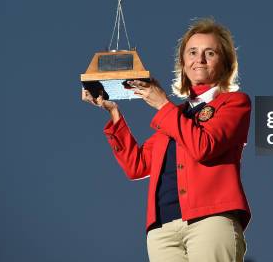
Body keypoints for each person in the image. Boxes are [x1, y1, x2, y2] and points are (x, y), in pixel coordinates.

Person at [82, 17, 252, 262]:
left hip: (210, 219)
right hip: (162, 229)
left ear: (225, 63)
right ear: (183, 63)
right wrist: (113, 112)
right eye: (192, 52)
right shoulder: (175, 115)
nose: (199, 59)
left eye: (210, 52)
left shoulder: (233, 103)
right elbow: (137, 165)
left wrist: (163, 104)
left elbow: (204, 147)